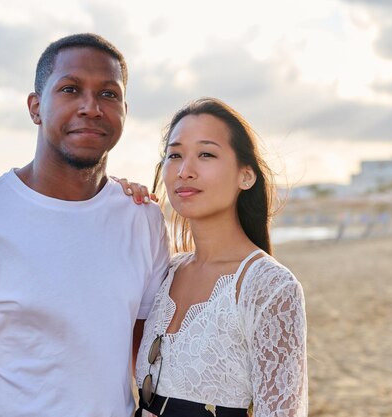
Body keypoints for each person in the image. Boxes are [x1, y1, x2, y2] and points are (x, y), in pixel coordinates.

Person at [0, 33, 170, 417]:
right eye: (70, 89)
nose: (91, 107)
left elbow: (147, 360)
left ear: (124, 111)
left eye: (108, 94)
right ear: (36, 107)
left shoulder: (144, 218)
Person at [132, 98, 308, 416]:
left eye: (206, 154)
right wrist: (115, 200)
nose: (185, 171)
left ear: (246, 176)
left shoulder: (269, 285)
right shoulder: (166, 272)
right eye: (175, 155)